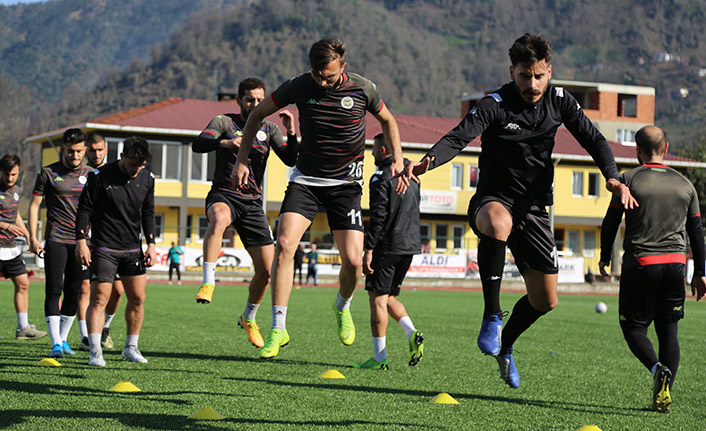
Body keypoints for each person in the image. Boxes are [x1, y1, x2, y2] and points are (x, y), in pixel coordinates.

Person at [404, 33, 635, 388]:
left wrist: (613, 178)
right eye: (524, 76)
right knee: (498, 223)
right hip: (493, 199)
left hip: (534, 208)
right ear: (512, 71)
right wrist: (428, 162)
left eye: (539, 76)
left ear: (549, 71)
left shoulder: (560, 101)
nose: (532, 84)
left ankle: (506, 345)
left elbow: (594, 139)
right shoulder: (495, 103)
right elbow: (458, 136)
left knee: (546, 300)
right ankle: (492, 314)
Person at [233, 38, 407, 359]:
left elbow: (388, 121)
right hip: (306, 181)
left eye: (328, 76)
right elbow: (257, 114)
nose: (323, 82)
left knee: (354, 263)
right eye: (317, 75)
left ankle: (342, 306)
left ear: (343, 66)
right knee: (284, 245)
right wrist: (242, 159)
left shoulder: (363, 89)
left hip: (346, 185)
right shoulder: (299, 86)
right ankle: (279, 328)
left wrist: (397, 157)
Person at [599, 125, 706, 413]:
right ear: (666, 148)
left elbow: (610, 221)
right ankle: (663, 397)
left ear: (637, 151)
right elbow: (697, 232)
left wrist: (603, 256)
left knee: (633, 327)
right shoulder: (685, 184)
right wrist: (701, 272)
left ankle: (657, 368)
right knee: (669, 331)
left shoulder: (628, 180)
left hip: (642, 264)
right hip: (675, 265)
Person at [193, 77, 298, 348]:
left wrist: (292, 132)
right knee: (219, 220)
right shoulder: (223, 123)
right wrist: (224, 144)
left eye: (259, 100)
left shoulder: (270, 128)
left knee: (266, 271)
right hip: (224, 194)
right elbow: (199, 144)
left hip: (253, 203)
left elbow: (290, 159)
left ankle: (248, 317)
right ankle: (208, 282)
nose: (254, 104)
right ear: (239, 100)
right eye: (249, 99)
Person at [76, 136, 157, 366]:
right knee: (100, 298)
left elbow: (148, 213)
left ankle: (130, 347)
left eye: (141, 165)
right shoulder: (99, 177)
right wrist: (82, 240)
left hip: (133, 250)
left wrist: (151, 243)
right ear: (121, 157)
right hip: (103, 249)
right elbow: (84, 210)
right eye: (133, 164)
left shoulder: (147, 179)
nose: (137, 169)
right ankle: (95, 351)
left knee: (138, 298)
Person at [354, 134, 424, 370]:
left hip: (387, 245)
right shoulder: (413, 176)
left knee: (377, 298)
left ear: (384, 149)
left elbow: (379, 216)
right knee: (390, 296)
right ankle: (412, 333)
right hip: (410, 245)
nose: (372, 154)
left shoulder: (380, 177)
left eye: (374, 149)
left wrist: (369, 249)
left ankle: (379, 357)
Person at [28, 128, 90, 357]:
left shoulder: (92, 175)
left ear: (84, 150)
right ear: (63, 149)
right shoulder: (48, 173)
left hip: (82, 243)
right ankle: (55, 342)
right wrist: (33, 237)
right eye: (70, 151)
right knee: (54, 289)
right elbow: (34, 206)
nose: (74, 156)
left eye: (79, 151)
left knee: (74, 292)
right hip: (55, 239)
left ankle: (63, 340)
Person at [76, 132, 124, 351]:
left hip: (114, 242)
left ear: (107, 150)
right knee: (86, 289)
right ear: (86, 150)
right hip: (87, 242)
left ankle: (104, 328)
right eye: (92, 150)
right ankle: (86, 337)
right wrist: (81, 240)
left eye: (100, 149)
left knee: (119, 291)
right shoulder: (80, 173)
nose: (96, 154)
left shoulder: (113, 174)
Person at [0, 154, 47, 341]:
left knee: (23, 283)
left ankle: (23, 328)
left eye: (13, 174)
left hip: (10, 248)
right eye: (6, 174)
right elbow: (8, 221)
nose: (10, 178)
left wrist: (28, 233)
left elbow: (15, 213)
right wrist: (6, 226)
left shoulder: (17, 191)